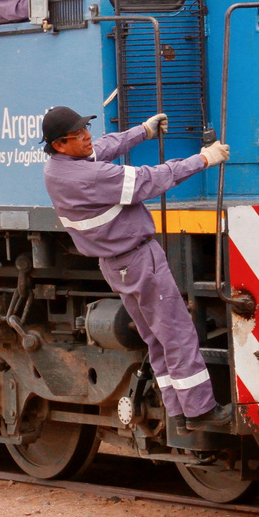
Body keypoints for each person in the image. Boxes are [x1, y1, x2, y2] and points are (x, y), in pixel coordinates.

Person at [41, 105, 233, 429]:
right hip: (139, 259)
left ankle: (179, 411)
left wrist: (143, 130)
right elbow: (149, 180)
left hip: (116, 265)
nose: (88, 137)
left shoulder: (57, 168)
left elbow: (102, 148)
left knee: (156, 339)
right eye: (79, 135)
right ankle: (201, 411)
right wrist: (204, 159)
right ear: (60, 143)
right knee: (177, 333)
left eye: (86, 129)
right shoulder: (90, 177)